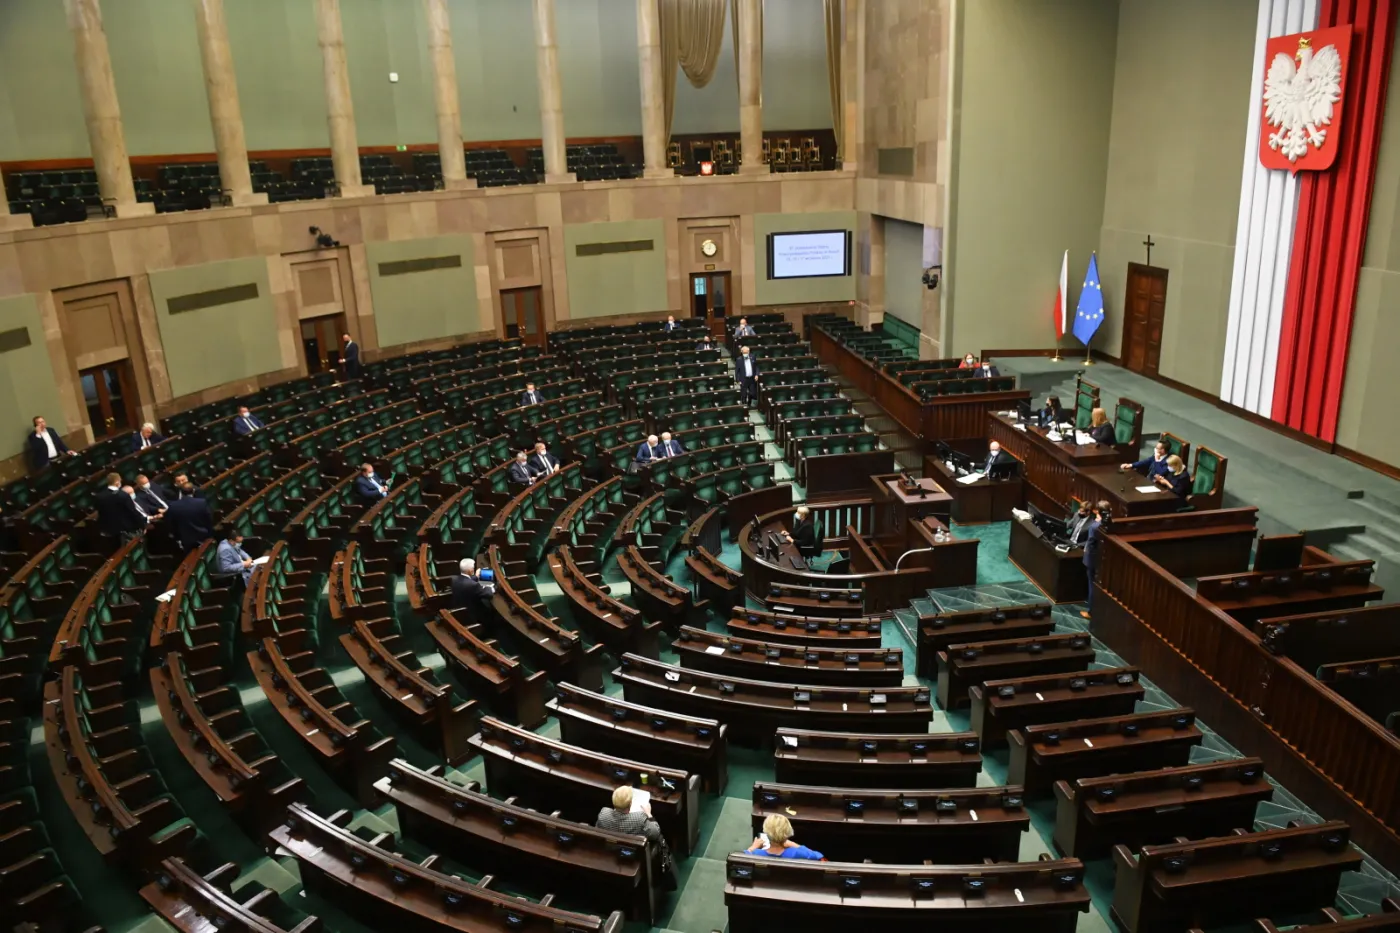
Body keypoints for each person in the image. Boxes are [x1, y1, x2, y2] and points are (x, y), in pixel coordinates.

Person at [596, 785, 663, 845]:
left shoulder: (603, 813)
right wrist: (649, 814)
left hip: (609, 846)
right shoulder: (639, 818)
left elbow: (599, 831)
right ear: (631, 803)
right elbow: (655, 834)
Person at [744, 814, 824, 861]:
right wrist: (794, 845)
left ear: (765, 832)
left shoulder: (756, 853)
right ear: (787, 833)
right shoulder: (796, 853)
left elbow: (743, 859)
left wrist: (752, 848)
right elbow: (818, 856)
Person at [1081, 501, 1110, 620]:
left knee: (1092, 584)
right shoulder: (1109, 523)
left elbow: (1091, 542)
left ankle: (1091, 611)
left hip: (1092, 559)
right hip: (1104, 559)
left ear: (1098, 511)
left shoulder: (1095, 526)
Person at [164, 484, 214, 552]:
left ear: (181, 492)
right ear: (193, 491)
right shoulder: (202, 502)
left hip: (186, 540)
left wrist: (177, 537)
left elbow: (171, 524)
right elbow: (209, 519)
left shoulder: (173, 506)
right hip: (204, 536)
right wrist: (210, 534)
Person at [95, 473, 146, 540]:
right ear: (117, 482)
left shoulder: (99, 496)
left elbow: (101, 513)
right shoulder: (123, 495)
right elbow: (133, 512)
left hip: (108, 532)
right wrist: (142, 525)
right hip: (126, 531)